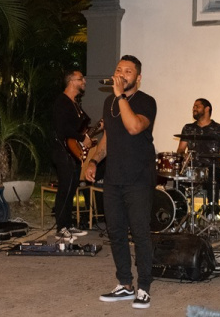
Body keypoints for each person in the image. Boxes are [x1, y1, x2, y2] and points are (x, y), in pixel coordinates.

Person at [85, 55, 156, 310]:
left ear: (138, 78)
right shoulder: (109, 102)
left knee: (140, 233)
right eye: (118, 69)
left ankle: (144, 287)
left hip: (138, 178)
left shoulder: (146, 101)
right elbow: (108, 137)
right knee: (115, 233)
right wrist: (94, 161)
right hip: (113, 178)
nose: (122, 74)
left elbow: (134, 127)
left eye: (128, 71)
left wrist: (120, 96)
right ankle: (125, 283)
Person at [51, 70, 93, 240]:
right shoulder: (62, 102)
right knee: (65, 189)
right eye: (81, 79)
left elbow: (79, 127)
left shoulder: (74, 103)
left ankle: (68, 225)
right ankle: (61, 228)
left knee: (71, 188)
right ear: (71, 81)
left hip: (72, 152)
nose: (84, 81)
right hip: (62, 151)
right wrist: (82, 138)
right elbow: (62, 129)